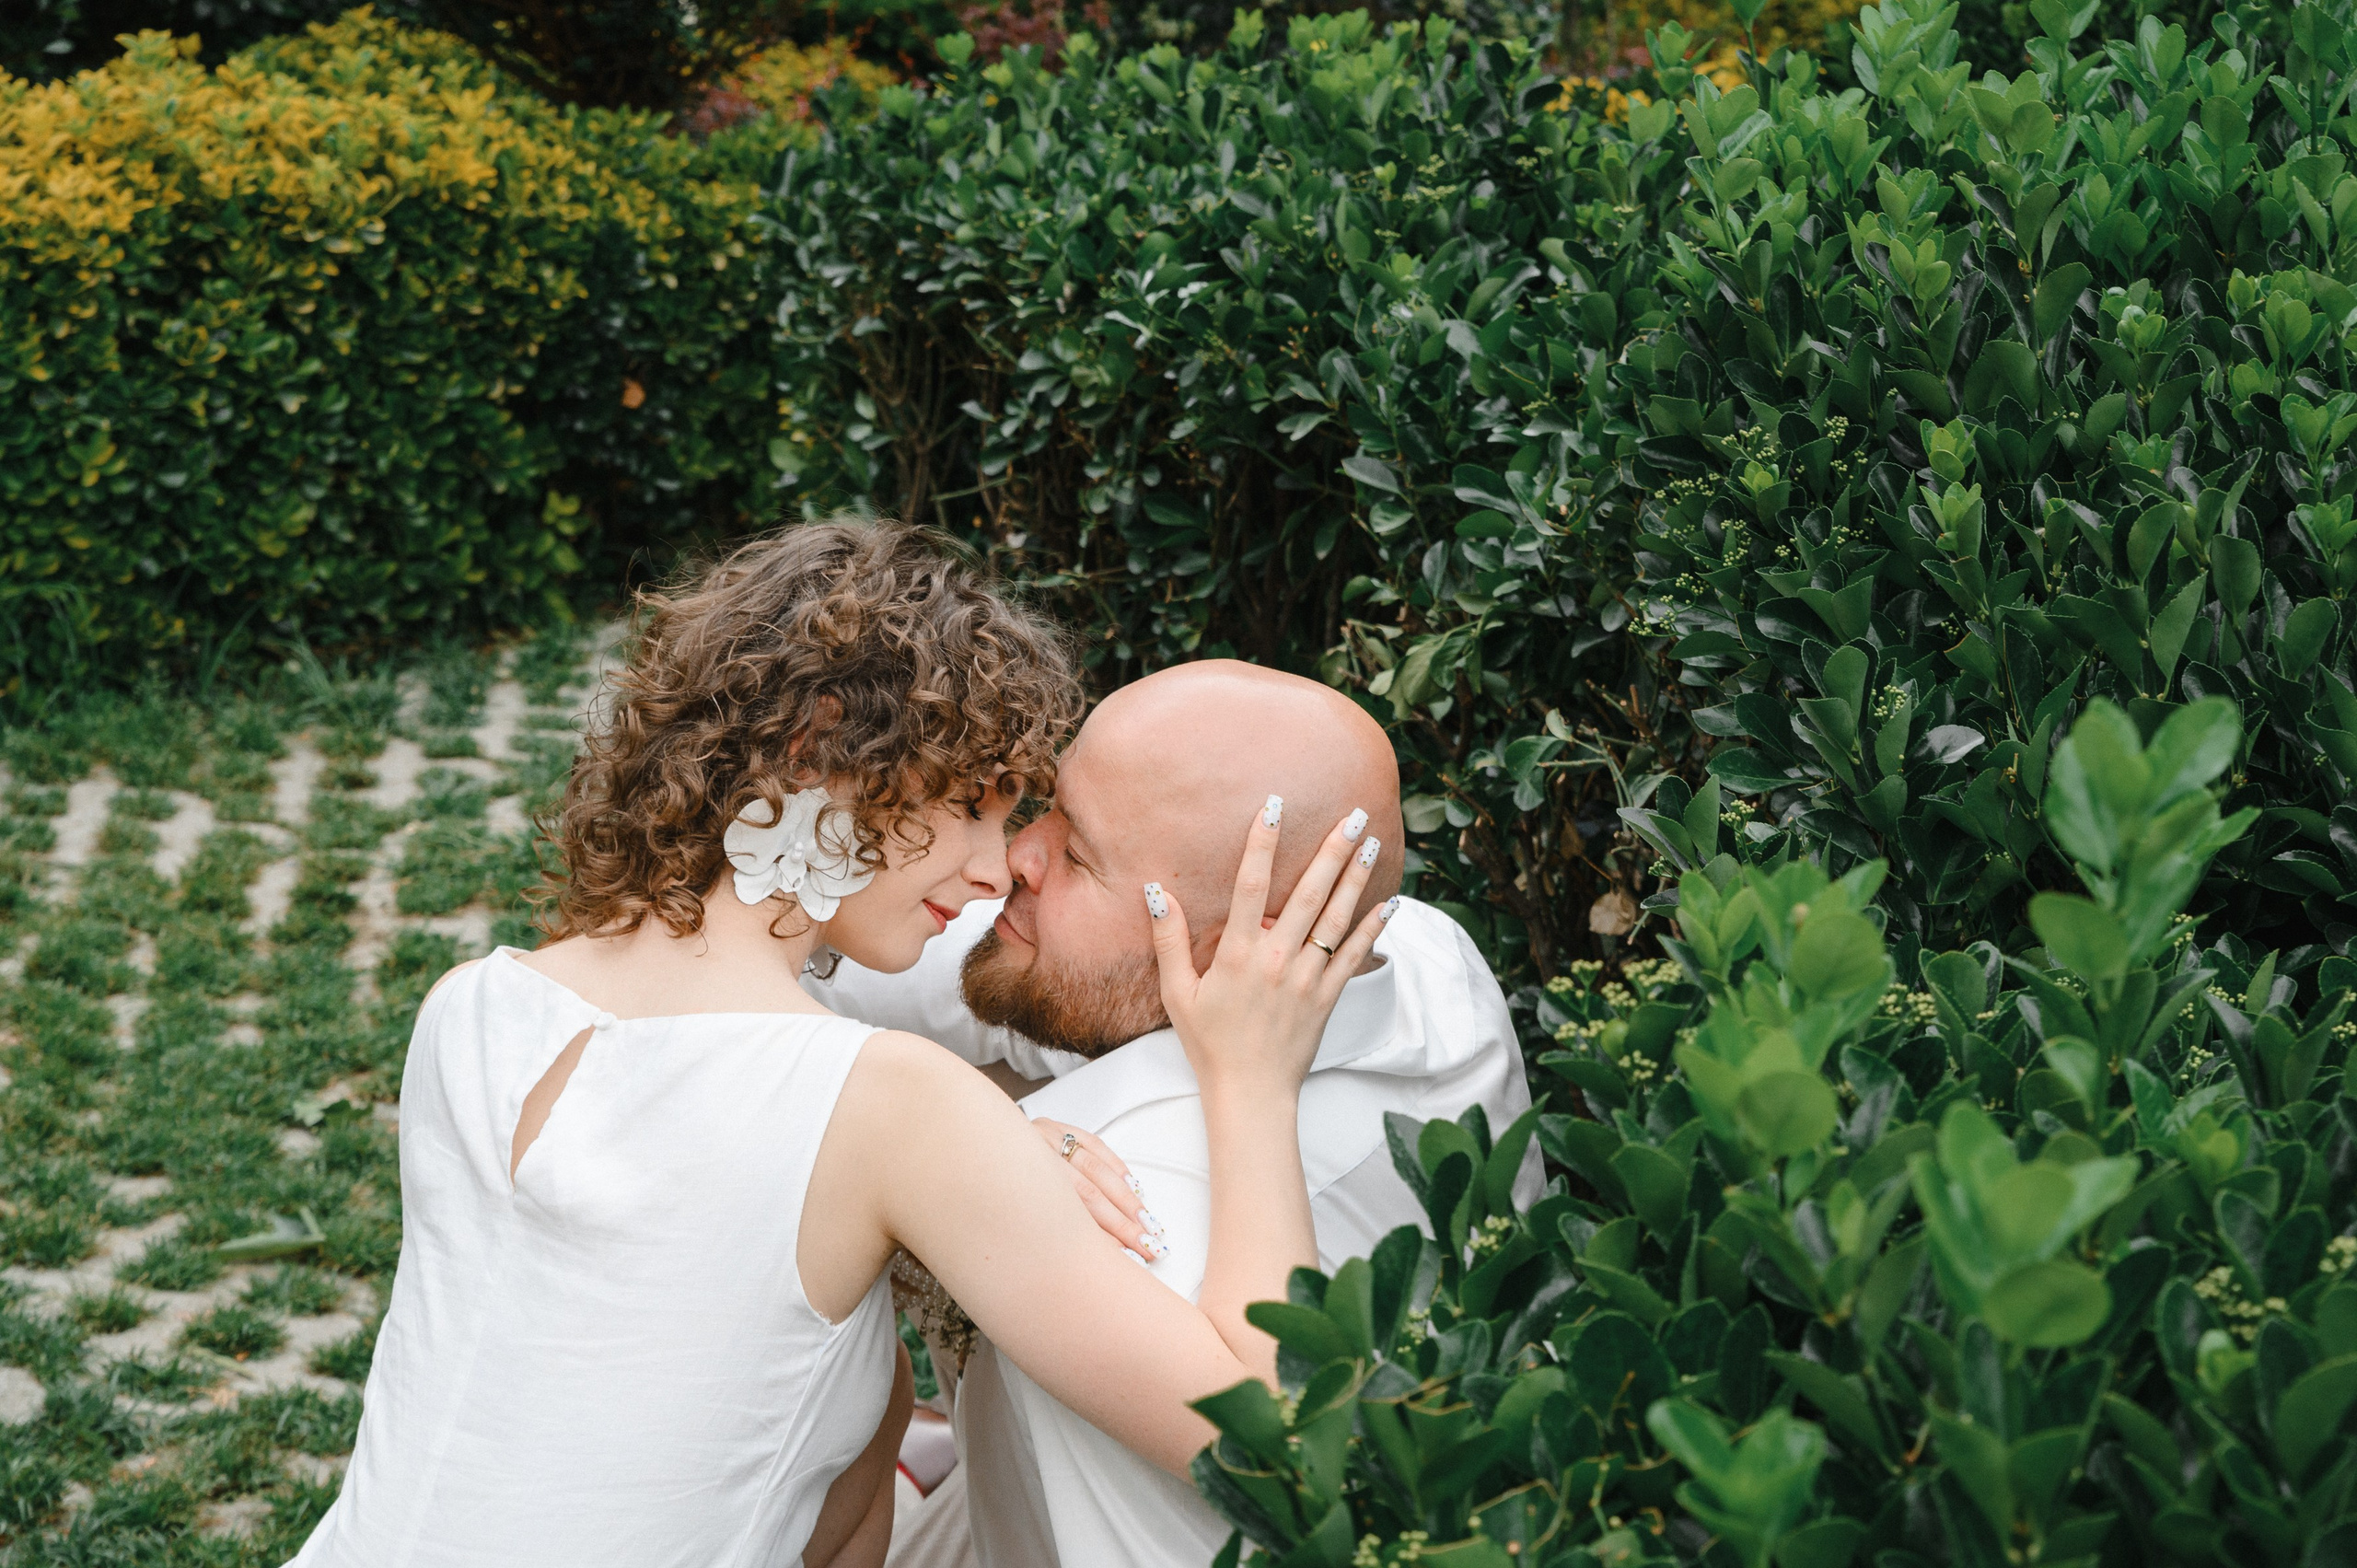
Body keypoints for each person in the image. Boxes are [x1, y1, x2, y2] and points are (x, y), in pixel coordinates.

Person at [284, 524, 1396, 1568]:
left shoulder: (477, 1007)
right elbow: (1279, 1452)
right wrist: (1250, 1079)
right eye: (975, 804)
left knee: (864, 1432)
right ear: (823, 761)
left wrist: (953, 1184)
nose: (992, 865)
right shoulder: (891, 1106)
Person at [813, 660, 1538, 1568]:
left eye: (1075, 855)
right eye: (1049, 805)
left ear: (1240, 946)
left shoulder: (1119, 1204)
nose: (1012, 862)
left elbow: (1286, 1449)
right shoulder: (1425, 948)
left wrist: (942, 1149)